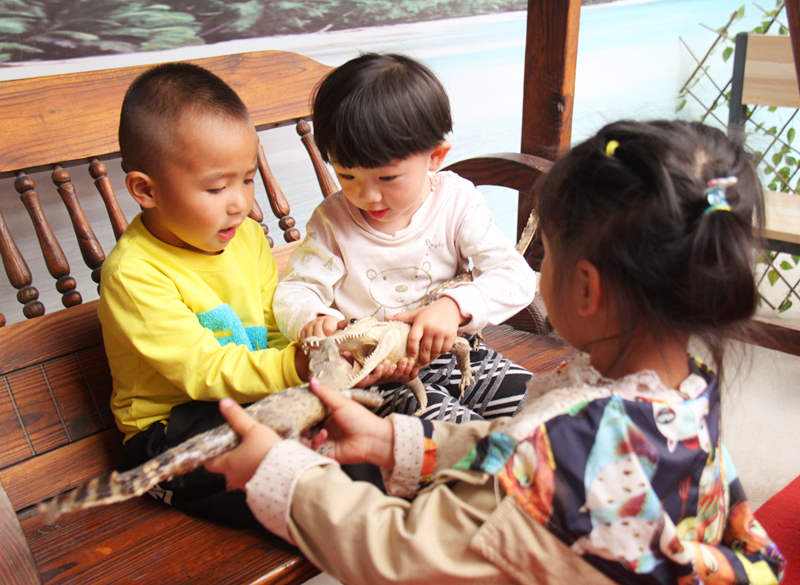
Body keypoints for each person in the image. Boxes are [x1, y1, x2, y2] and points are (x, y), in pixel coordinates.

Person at [207, 120, 786, 583]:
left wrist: (280, 471)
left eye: (549, 254)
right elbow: (521, 454)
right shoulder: (684, 390)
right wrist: (396, 442)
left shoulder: (563, 445)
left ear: (586, 287)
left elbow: (405, 556)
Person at [97, 62, 312, 528]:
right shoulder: (133, 274)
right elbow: (203, 371)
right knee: (296, 476)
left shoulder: (247, 237)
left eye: (248, 179)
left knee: (354, 428)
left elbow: (274, 331)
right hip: (168, 436)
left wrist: (311, 356)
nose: (240, 202)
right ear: (144, 189)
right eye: (217, 187)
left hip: (246, 401)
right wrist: (294, 367)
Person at [273, 53, 538, 423]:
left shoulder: (457, 201)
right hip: (376, 374)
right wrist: (312, 318)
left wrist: (453, 307)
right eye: (347, 177)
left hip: (461, 353)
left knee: (548, 412)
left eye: (387, 179)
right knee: (461, 435)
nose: (368, 196)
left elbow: (516, 277)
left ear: (435, 157)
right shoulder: (332, 221)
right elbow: (295, 290)